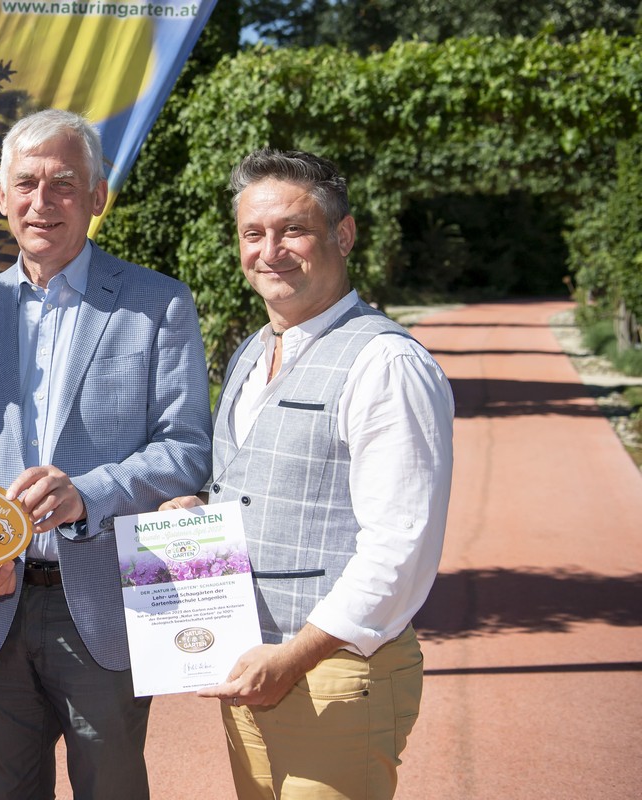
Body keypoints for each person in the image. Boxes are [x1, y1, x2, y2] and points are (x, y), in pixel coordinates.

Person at [0, 109, 212, 799]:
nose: (43, 202)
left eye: (64, 184)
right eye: (27, 183)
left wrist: (88, 493)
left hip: (102, 605)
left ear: (98, 197)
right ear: (2, 198)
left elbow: (187, 447)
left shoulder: (157, 305)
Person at [163, 149, 454, 799]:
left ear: (342, 235)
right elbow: (254, 480)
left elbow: (399, 549)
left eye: (293, 230)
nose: (270, 251)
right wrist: (196, 513)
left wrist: (292, 659)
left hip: (332, 672)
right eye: (252, 234)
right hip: (248, 667)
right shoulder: (251, 350)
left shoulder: (385, 364)